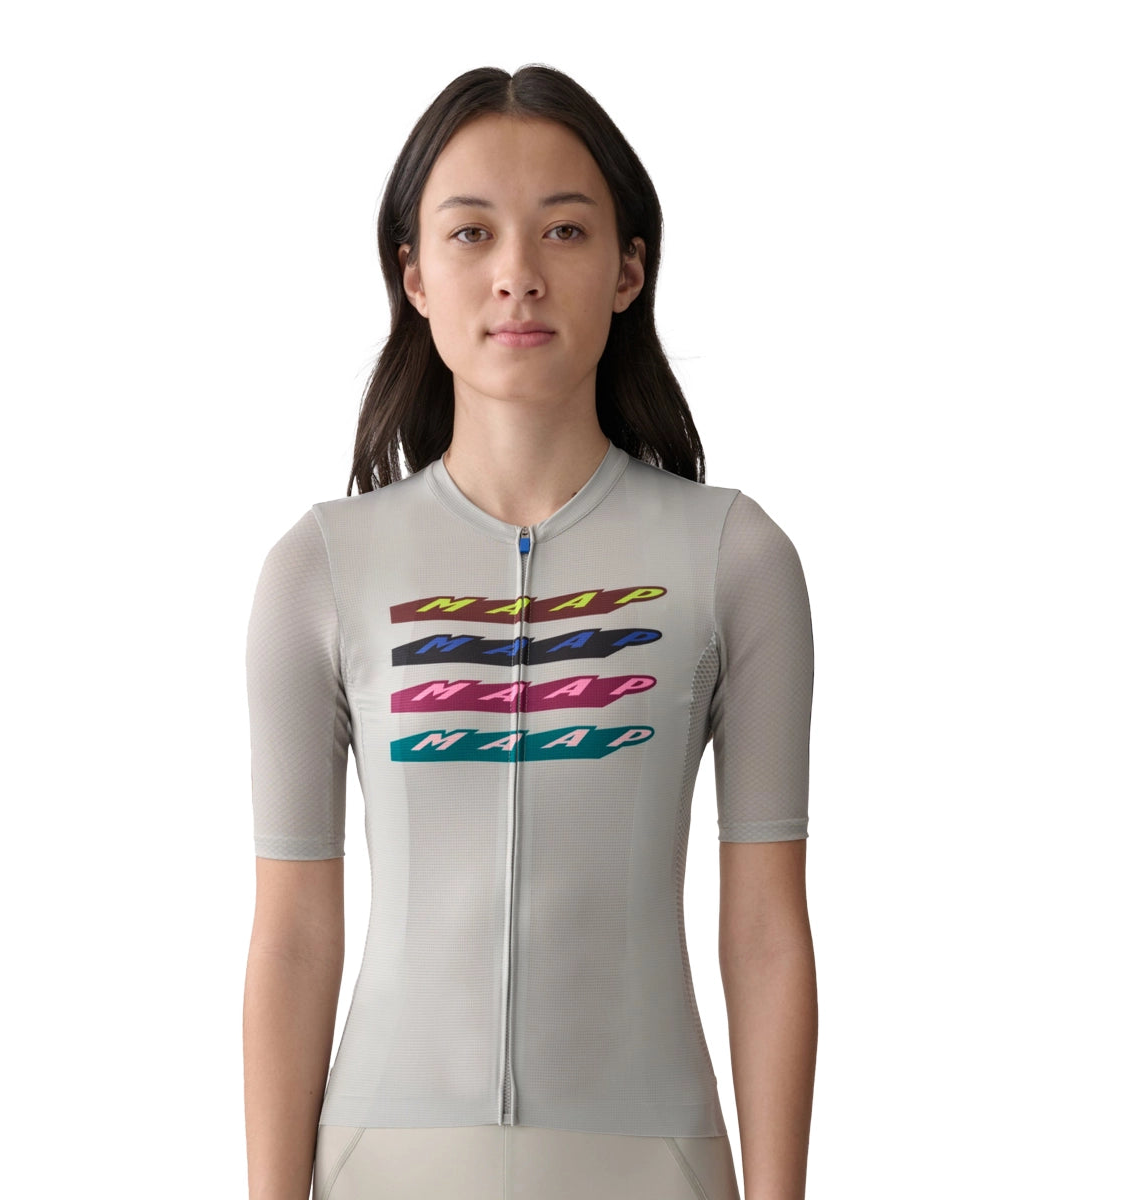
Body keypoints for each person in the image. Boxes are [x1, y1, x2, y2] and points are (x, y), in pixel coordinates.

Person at [243, 63, 817, 1200]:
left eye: (564, 229)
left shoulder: (734, 559)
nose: (518, 274)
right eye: (472, 233)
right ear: (412, 274)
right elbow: (294, 933)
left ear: (628, 269)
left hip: (654, 1160)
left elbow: (765, 928)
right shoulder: (321, 570)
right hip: (380, 1164)